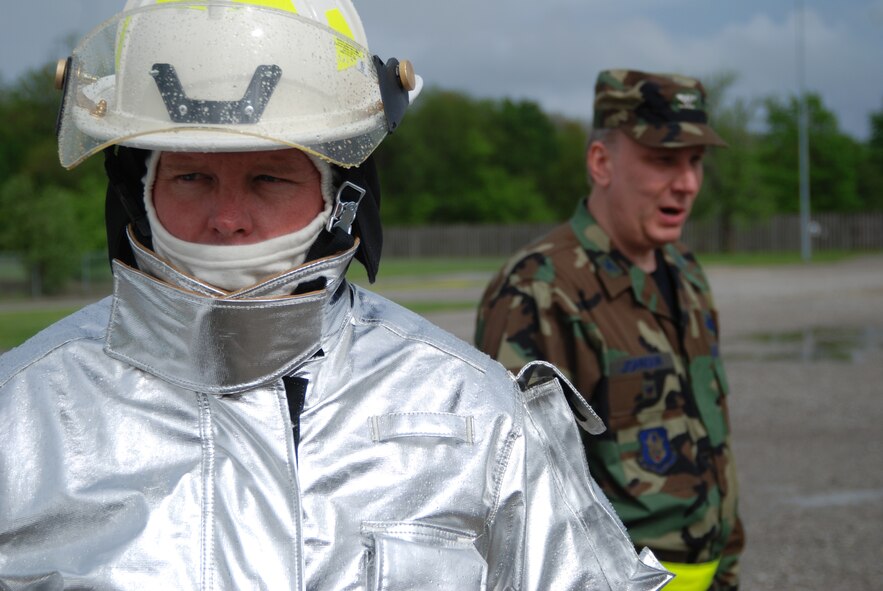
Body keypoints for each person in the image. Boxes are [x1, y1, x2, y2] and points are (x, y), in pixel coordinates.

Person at [0, 4, 672, 589]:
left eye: (269, 178)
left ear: (341, 193)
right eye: (193, 176)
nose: (228, 217)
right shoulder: (21, 415)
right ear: (136, 192)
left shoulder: (475, 411)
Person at [475, 69, 744, 591]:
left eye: (695, 162)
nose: (687, 183)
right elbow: (518, 495)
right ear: (601, 162)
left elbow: (713, 439)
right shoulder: (540, 290)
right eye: (664, 160)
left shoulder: (685, 273)